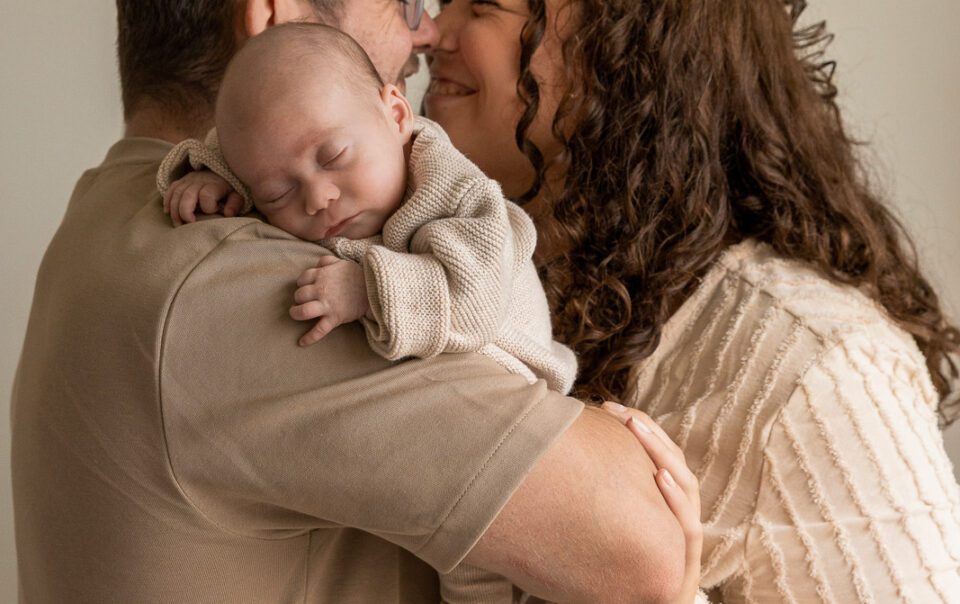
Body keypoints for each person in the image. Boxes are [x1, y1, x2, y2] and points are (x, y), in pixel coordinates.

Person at [10, 1, 701, 603]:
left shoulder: (107, 216)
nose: (426, 31)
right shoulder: (251, 287)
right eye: (401, 3)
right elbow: (642, 547)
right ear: (271, 17)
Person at [426, 0, 960, 602]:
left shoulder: (817, 366)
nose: (429, 33)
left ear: (626, 46)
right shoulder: (473, 289)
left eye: (483, 6)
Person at [156, 23, 578, 399]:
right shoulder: (298, 150)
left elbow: (475, 306)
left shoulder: (455, 193)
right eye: (277, 192)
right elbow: (256, 143)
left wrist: (367, 290)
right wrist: (215, 177)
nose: (318, 197)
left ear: (396, 116)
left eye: (334, 156)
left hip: (514, 372)